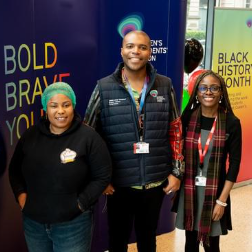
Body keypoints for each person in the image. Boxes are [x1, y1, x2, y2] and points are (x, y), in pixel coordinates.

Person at [84, 30, 184, 252]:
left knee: (148, 238)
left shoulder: (165, 85)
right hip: (118, 184)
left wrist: (176, 172)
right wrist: (100, 178)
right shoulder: (104, 87)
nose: (135, 52)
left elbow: (176, 129)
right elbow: (87, 136)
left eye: (142, 47)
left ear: (150, 52)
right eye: (130, 46)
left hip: (155, 181)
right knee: (117, 239)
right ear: (122, 51)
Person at [9, 82, 112, 252]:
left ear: (73, 106)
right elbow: (14, 170)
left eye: (66, 105)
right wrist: (21, 196)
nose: (60, 111)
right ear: (45, 108)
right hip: (34, 225)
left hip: (73, 225)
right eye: (53, 106)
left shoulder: (88, 137)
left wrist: (80, 204)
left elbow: (102, 176)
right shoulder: (31, 135)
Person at [174, 70, 242, 252]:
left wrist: (222, 201)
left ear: (221, 92)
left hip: (215, 193)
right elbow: (176, 150)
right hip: (189, 190)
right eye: (203, 88)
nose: (208, 92)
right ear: (196, 92)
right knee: (190, 243)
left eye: (214, 88)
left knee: (212, 246)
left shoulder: (231, 123)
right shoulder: (187, 118)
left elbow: (234, 165)